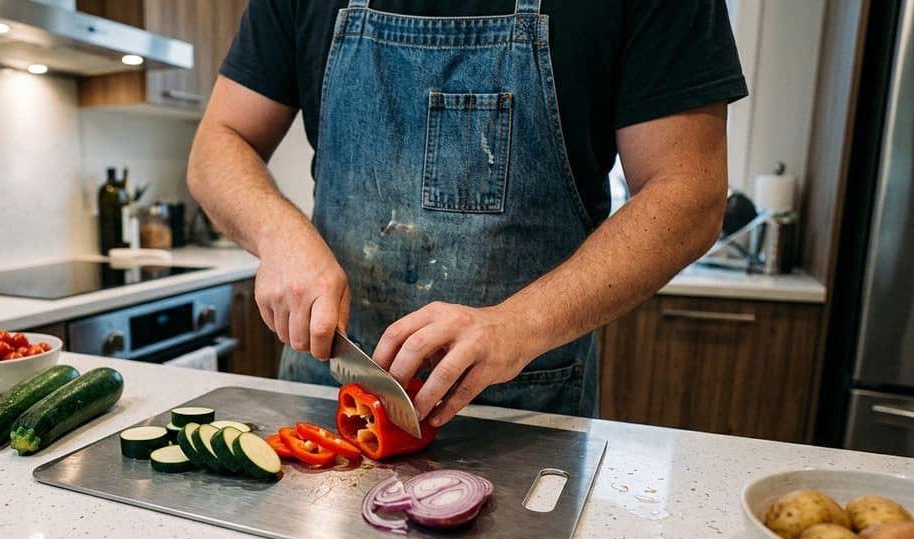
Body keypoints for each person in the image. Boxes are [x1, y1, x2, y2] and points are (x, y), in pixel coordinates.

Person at [188, 0, 747, 427]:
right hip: (329, 392)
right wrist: (278, 233)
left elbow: (689, 191)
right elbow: (220, 141)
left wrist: (518, 324)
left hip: (525, 409)